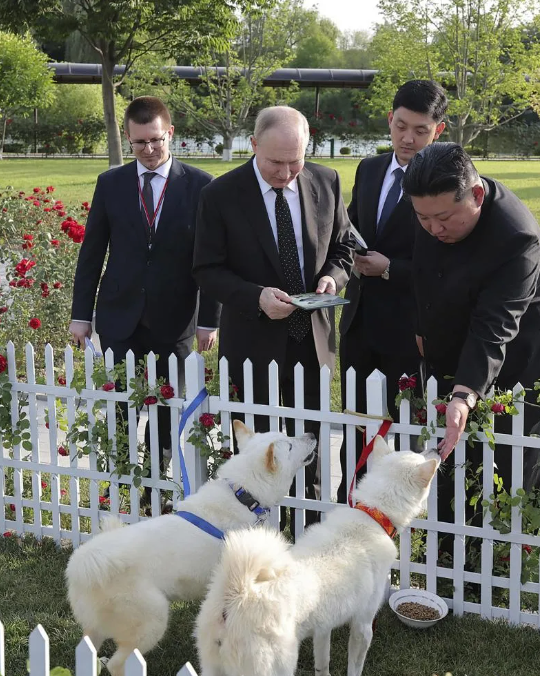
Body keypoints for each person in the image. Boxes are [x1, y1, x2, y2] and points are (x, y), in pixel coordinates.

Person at [402, 142, 540, 553]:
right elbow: (424, 272)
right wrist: (422, 327)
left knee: (514, 465)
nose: (433, 229)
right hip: (461, 350)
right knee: (455, 456)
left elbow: (496, 326)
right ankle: (453, 553)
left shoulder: (516, 236)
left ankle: (514, 556)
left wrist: (464, 394)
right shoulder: (433, 205)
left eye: (443, 219)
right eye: (422, 218)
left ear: (475, 195)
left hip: (526, 360)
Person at [193, 105, 354, 526]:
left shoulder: (326, 180)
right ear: (253, 145)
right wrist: (256, 297)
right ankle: (256, 533)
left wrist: (332, 278)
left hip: (312, 340)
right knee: (256, 451)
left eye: (294, 161)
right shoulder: (220, 194)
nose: (285, 173)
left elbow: (344, 248)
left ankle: (308, 531)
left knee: (309, 445)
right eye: (275, 163)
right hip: (252, 342)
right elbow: (207, 270)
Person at [70, 96, 219, 493]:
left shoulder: (202, 186)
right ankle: (121, 484)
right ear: (128, 139)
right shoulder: (111, 184)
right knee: (120, 405)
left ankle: (156, 482)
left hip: (175, 320)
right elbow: (92, 253)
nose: (149, 150)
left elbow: (213, 260)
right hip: (119, 317)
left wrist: (209, 320)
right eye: (139, 143)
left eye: (156, 140)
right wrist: (81, 315)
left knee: (167, 408)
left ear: (170, 133)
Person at [336, 79, 448, 504]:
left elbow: (448, 263)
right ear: (390, 120)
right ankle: (351, 502)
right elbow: (349, 226)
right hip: (359, 322)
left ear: (438, 130)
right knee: (357, 426)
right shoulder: (369, 169)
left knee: (406, 432)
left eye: (420, 131)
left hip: (410, 327)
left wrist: (390, 269)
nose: (408, 139)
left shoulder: (446, 179)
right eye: (401, 126)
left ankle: (401, 512)